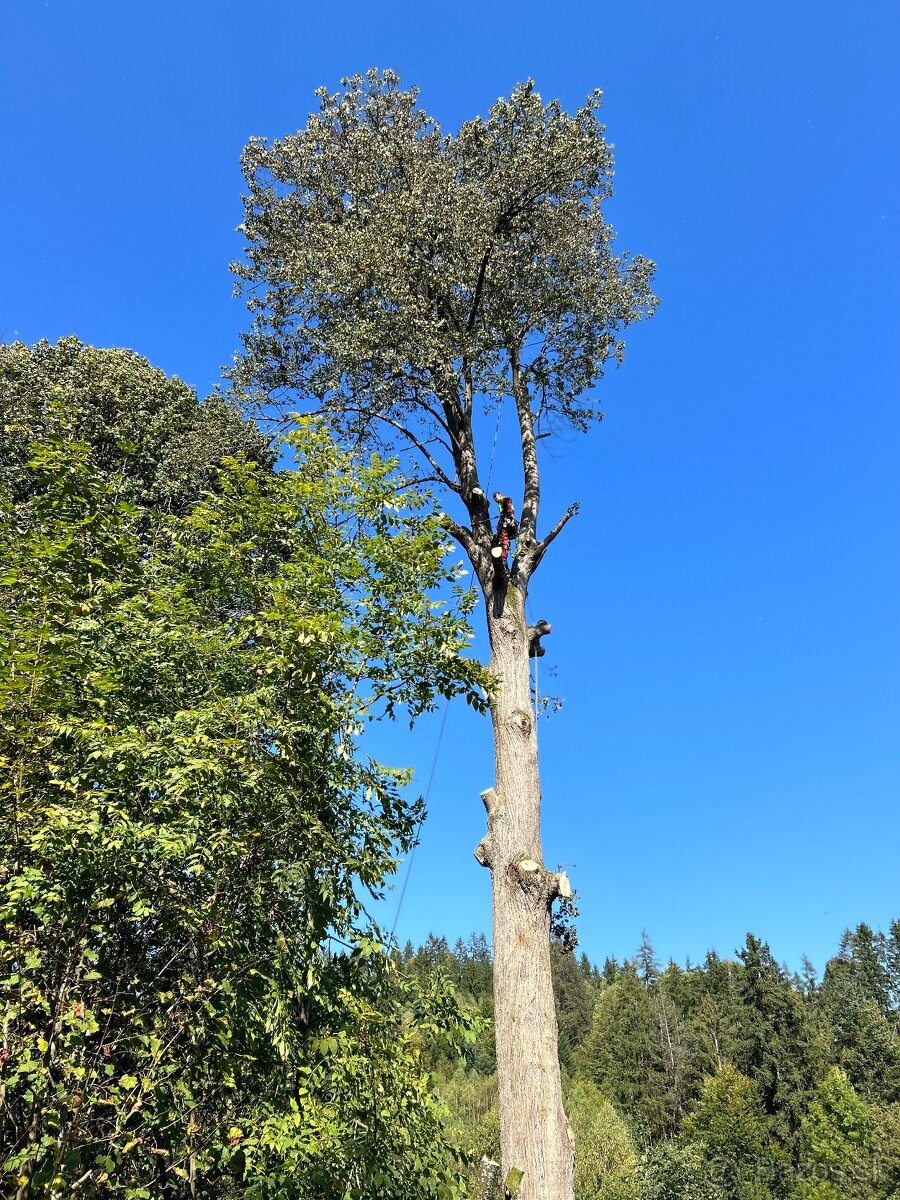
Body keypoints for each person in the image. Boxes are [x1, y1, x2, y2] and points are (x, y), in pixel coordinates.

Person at [491, 491, 519, 570]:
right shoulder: (501, 503)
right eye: (494, 498)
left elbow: (508, 500)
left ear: (500, 495)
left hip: (506, 522)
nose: (495, 499)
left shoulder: (504, 499)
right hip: (505, 521)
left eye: (496, 496)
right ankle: (502, 554)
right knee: (501, 538)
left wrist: (508, 512)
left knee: (504, 538)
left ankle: (503, 555)